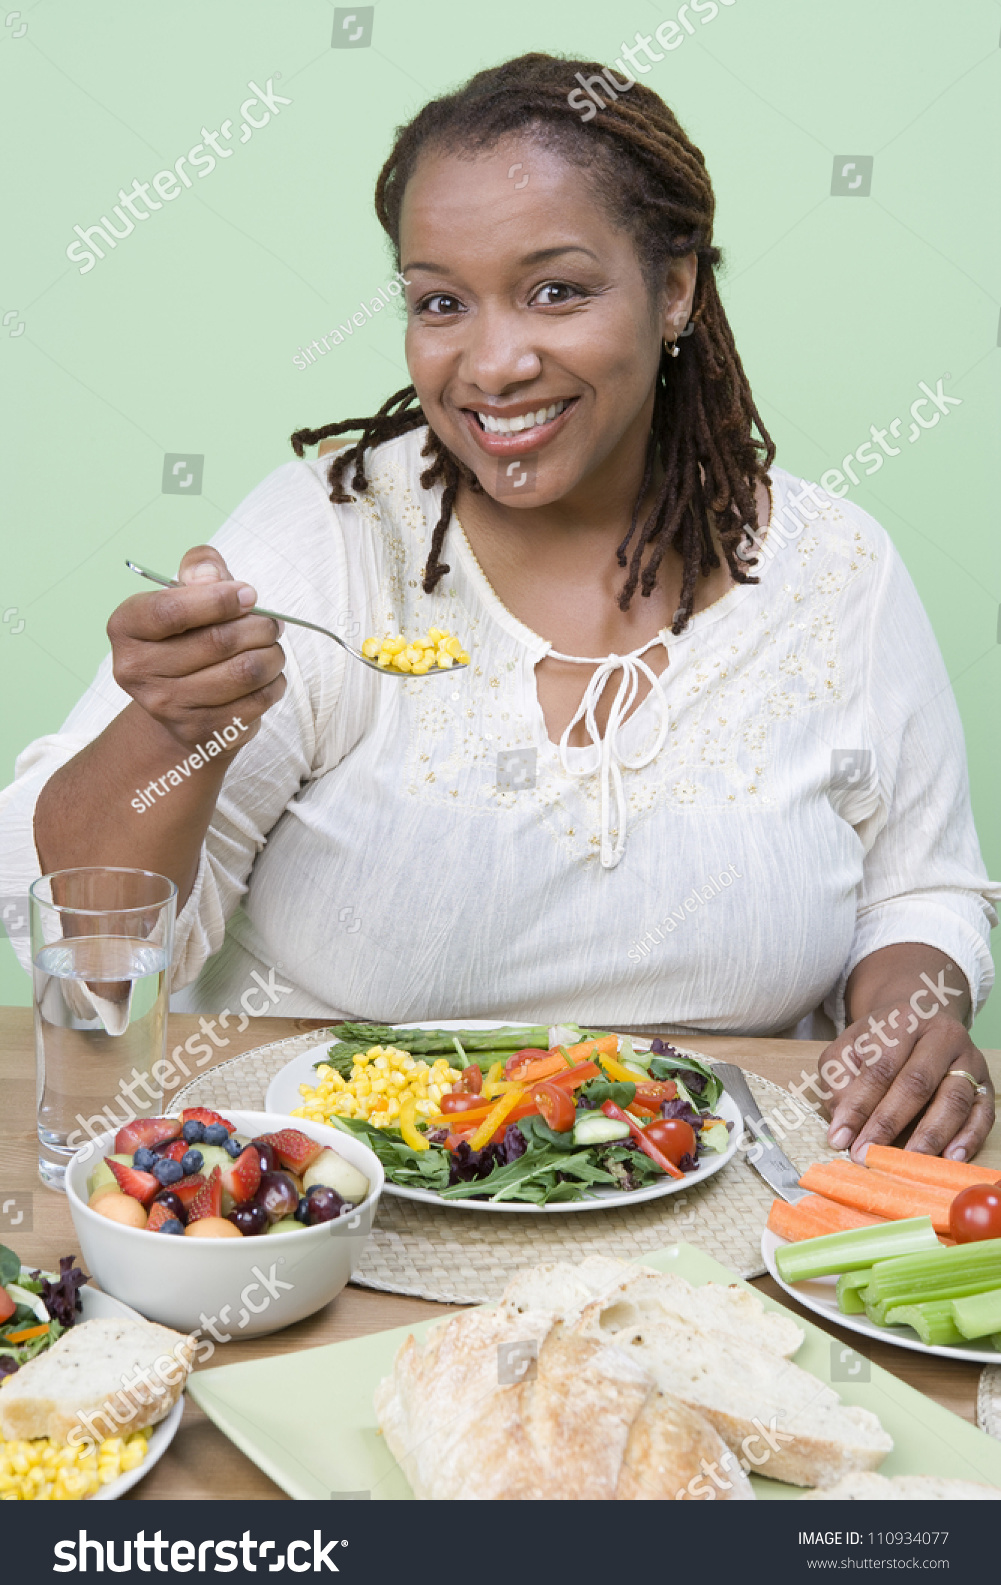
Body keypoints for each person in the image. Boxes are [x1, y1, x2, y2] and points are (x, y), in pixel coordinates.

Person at [1, 54, 996, 1163]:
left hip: (742, 1205)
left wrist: (914, 1018)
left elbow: (923, 888)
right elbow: (94, 955)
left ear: (674, 289)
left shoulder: (835, 571)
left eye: (555, 291)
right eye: (440, 302)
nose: (494, 363)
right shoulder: (327, 546)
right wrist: (173, 728)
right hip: (341, 1207)